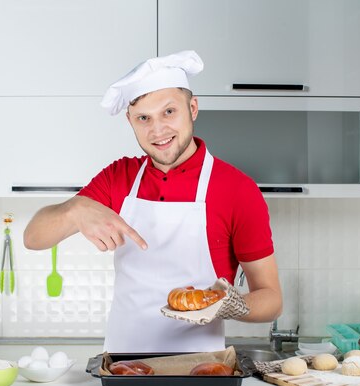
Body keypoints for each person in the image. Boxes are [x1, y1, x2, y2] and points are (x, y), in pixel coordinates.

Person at [24, 50, 282, 353]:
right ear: (130, 120)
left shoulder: (237, 189)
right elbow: (33, 238)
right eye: (144, 118)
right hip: (122, 367)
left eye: (169, 112)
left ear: (193, 108)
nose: (157, 130)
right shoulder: (118, 177)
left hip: (200, 368)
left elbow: (271, 298)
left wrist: (226, 306)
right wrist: (74, 209)